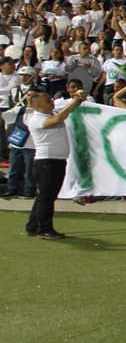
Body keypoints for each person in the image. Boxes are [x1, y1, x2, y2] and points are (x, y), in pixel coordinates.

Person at [24, 86, 89, 239]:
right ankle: (44, 229)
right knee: (47, 197)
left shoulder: (49, 113)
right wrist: (76, 101)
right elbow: (58, 119)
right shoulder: (35, 119)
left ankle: (33, 226)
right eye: (48, 101)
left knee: (45, 196)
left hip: (55, 160)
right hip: (47, 161)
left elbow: (65, 109)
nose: (52, 102)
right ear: (39, 104)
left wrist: (78, 98)